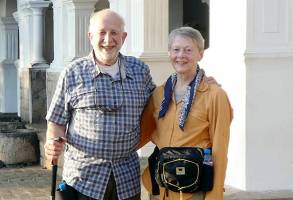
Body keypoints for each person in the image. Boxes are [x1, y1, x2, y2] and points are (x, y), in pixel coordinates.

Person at [44, 9, 155, 200]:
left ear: (124, 37)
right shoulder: (73, 72)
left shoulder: (140, 71)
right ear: (90, 36)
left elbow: (159, 104)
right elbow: (56, 121)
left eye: (114, 33)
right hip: (83, 179)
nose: (108, 39)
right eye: (102, 32)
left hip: (127, 179)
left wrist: (198, 81)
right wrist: (52, 144)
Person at [140, 27, 233, 200]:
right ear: (169, 53)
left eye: (188, 50)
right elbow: (143, 133)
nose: (181, 55)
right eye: (176, 49)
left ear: (200, 54)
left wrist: (215, 194)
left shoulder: (214, 95)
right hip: (160, 187)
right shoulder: (158, 94)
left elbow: (220, 149)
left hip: (194, 190)